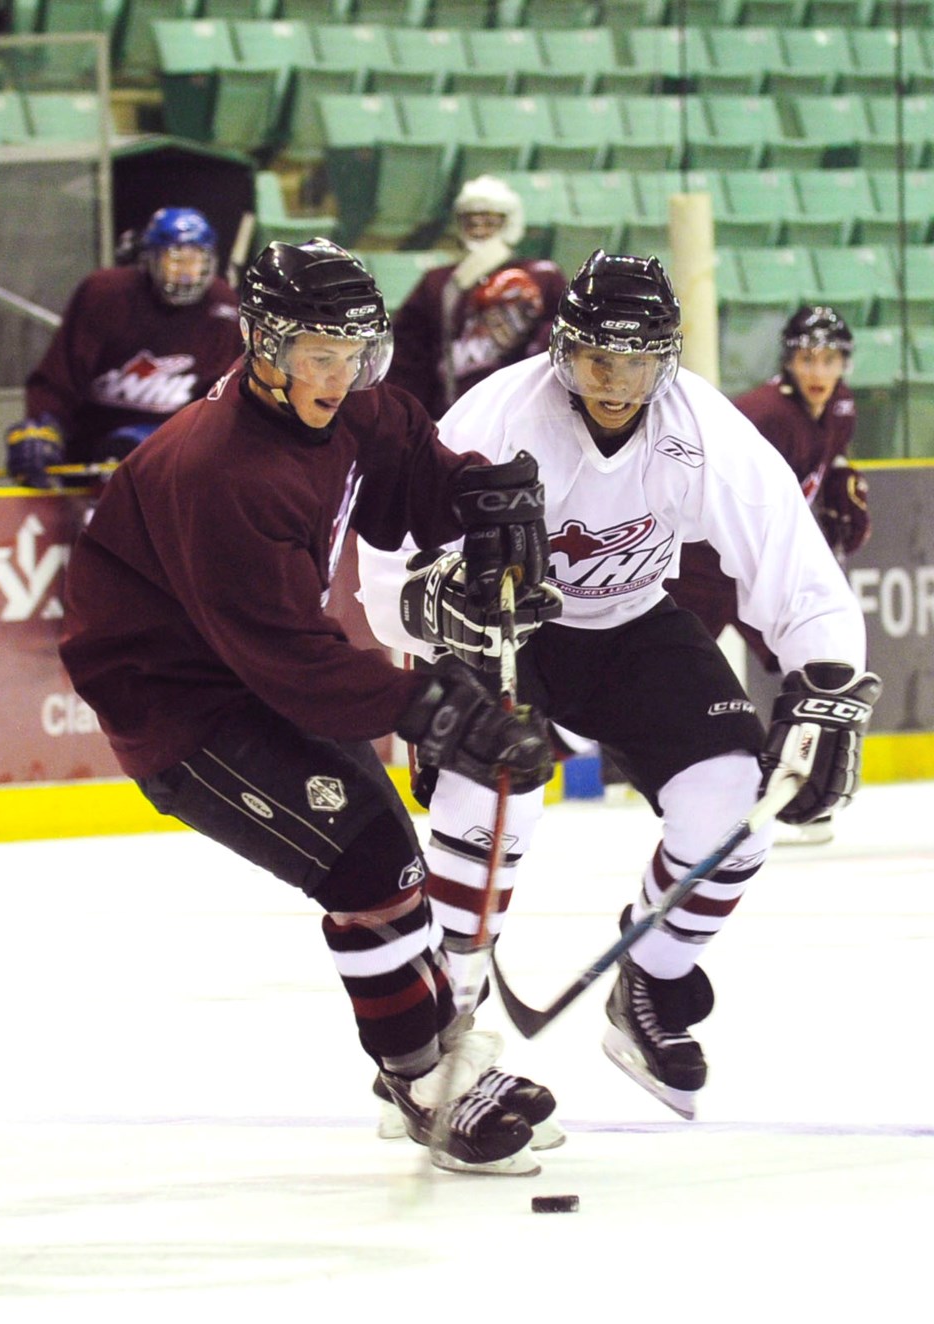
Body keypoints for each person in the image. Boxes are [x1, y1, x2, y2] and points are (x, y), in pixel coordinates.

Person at [57, 237, 565, 1178]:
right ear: (261, 345)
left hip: (247, 667)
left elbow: (410, 457)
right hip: (179, 703)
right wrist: (436, 707)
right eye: (317, 354)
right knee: (364, 866)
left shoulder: (354, 405)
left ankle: (429, 1058)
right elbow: (291, 664)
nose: (340, 375)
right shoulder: (221, 473)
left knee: (385, 857)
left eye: (353, 351)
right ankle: (423, 1078)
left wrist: (479, 495)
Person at [357, 252, 880, 1124]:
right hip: (508, 633)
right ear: (564, 349)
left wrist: (825, 683)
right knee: (492, 809)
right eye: (600, 358)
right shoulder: (495, 415)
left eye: (639, 361)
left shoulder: (699, 425)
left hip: (635, 624)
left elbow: (791, 561)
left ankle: (652, 982)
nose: (617, 381)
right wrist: (436, 606)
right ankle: (436, 1039)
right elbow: (389, 560)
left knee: (734, 799)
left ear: (667, 357)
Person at [666, 304, 871, 844]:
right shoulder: (761, 415)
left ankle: (801, 784)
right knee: (660, 666)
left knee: (803, 663)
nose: (819, 373)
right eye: (808, 359)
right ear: (789, 360)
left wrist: (842, 478)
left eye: (831, 360)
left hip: (753, 568)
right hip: (705, 566)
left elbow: (828, 456)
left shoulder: (840, 408)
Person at [4, 206, 242, 488]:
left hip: (176, 458)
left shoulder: (222, 305)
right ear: (151, 258)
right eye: (176, 260)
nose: (188, 274)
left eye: (197, 261)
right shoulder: (104, 294)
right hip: (91, 451)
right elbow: (61, 375)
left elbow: (224, 395)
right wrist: (44, 425)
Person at [386, 174, 568, 419]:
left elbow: (558, 348)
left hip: (520, 412)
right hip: (451, 412)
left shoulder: (544, 278)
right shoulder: (437, 283)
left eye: (489, 221)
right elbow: (408, 358)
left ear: (509, 223)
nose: (479, 229)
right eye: (471, 222)